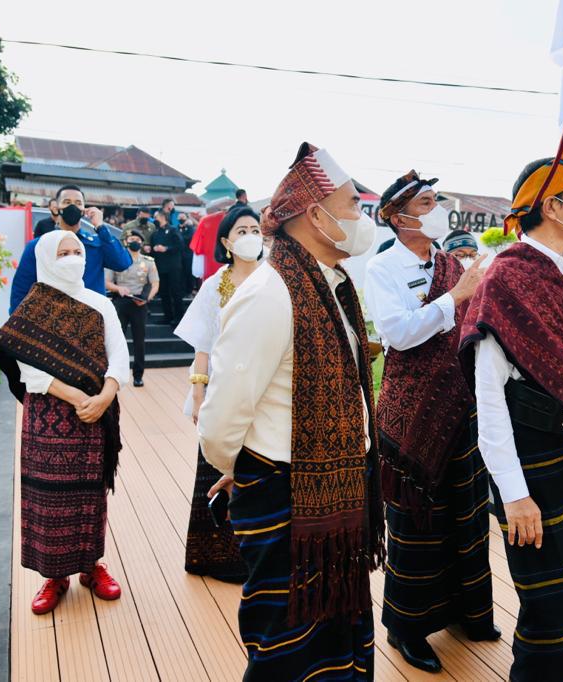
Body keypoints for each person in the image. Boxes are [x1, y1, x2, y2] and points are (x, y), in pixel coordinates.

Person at [198, 142, 383, 680]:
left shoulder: (330, 284)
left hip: (335, 495)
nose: (361, 218)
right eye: (353, 206)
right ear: (317, 216)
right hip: (286, 497)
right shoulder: (270, 293)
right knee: (286, 642)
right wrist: (242, 470)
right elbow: (222, 415)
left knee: (336, 635)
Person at [459, 124, 563, 681]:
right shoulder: (505, 279)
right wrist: (514, 495)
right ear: (553, 207)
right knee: (552, 618)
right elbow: (489, 398)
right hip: (534, 468)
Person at [364, 170, 497, 673]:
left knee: (466, 515)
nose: (437, 209)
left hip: (459, 405)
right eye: (426, 203)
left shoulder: (450, 263)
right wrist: (455, 297)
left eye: (435, 200)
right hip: (412, 413)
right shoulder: (383, 269)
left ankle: (467, 611)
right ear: (398, 218)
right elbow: (398, 334)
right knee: (416, 524)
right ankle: (406, 627)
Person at [0, 229, 130, 616]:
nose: (72, 259)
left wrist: (104, 397)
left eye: (76, 251)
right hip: (49, 416)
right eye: (63, 253)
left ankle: (90, 566)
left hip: (95, 414)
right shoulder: (33, 308)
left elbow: (119, 356)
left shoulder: (100, 304)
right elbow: (30, 370)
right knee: (47, 497)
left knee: (90, 494)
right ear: (46, 259)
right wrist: (80, 399)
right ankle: (54, 576)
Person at [173, 206, 263, 582]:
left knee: (260, 465)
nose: (250, 237)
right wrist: (198, 392)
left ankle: (262, 557)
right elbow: (203, 346)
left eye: (255, 229)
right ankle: (215, 557)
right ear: (226, 241)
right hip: (223, 392)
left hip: (264, 391)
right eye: (241, 231)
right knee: (217, 465)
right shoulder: (215, 285)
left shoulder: (274, 280)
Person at [10, 185, 133, 313]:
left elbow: (122, 263)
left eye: (78, 203)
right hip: (53, 318)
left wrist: (100, 227)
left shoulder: (97, 243)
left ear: (84, 209)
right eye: (67, 202)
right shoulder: (39, 245)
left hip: (92, 317)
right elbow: (21, 290)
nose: (73, 206)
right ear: (56, 208)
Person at [106, 230, 160, 387]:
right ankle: (115, 374)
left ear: (141, 243)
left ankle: (138, 375)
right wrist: (118, 288)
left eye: (137, 239)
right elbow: (106, 282)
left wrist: (147, 299)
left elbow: (155, 284)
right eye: (131, 239)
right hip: (121, 302)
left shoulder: (148, 261)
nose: (134, 241)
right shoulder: (116, 260)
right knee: (116, 340)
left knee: (139, 341)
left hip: (139, 304)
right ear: (125, 242)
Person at [150, 211, 186, 326]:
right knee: (164, 293)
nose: (154, 219)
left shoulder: (173, 230)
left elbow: (180, 245)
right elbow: (152, 248)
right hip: (160, 266)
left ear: (163, 217)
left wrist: (166, 248)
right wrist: (151, 249)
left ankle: (179, 317)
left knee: (175, 292)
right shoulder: (155, 233)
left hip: (173, 266)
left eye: (156, 217)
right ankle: (167, 316)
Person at [179, 216, 198, 295]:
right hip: (181, 255)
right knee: (182, 274)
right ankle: (184, 290)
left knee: (189, 273)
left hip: (189, 254)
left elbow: (187, 238)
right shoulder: (179, 228)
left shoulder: (191, 229)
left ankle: (190, 290)